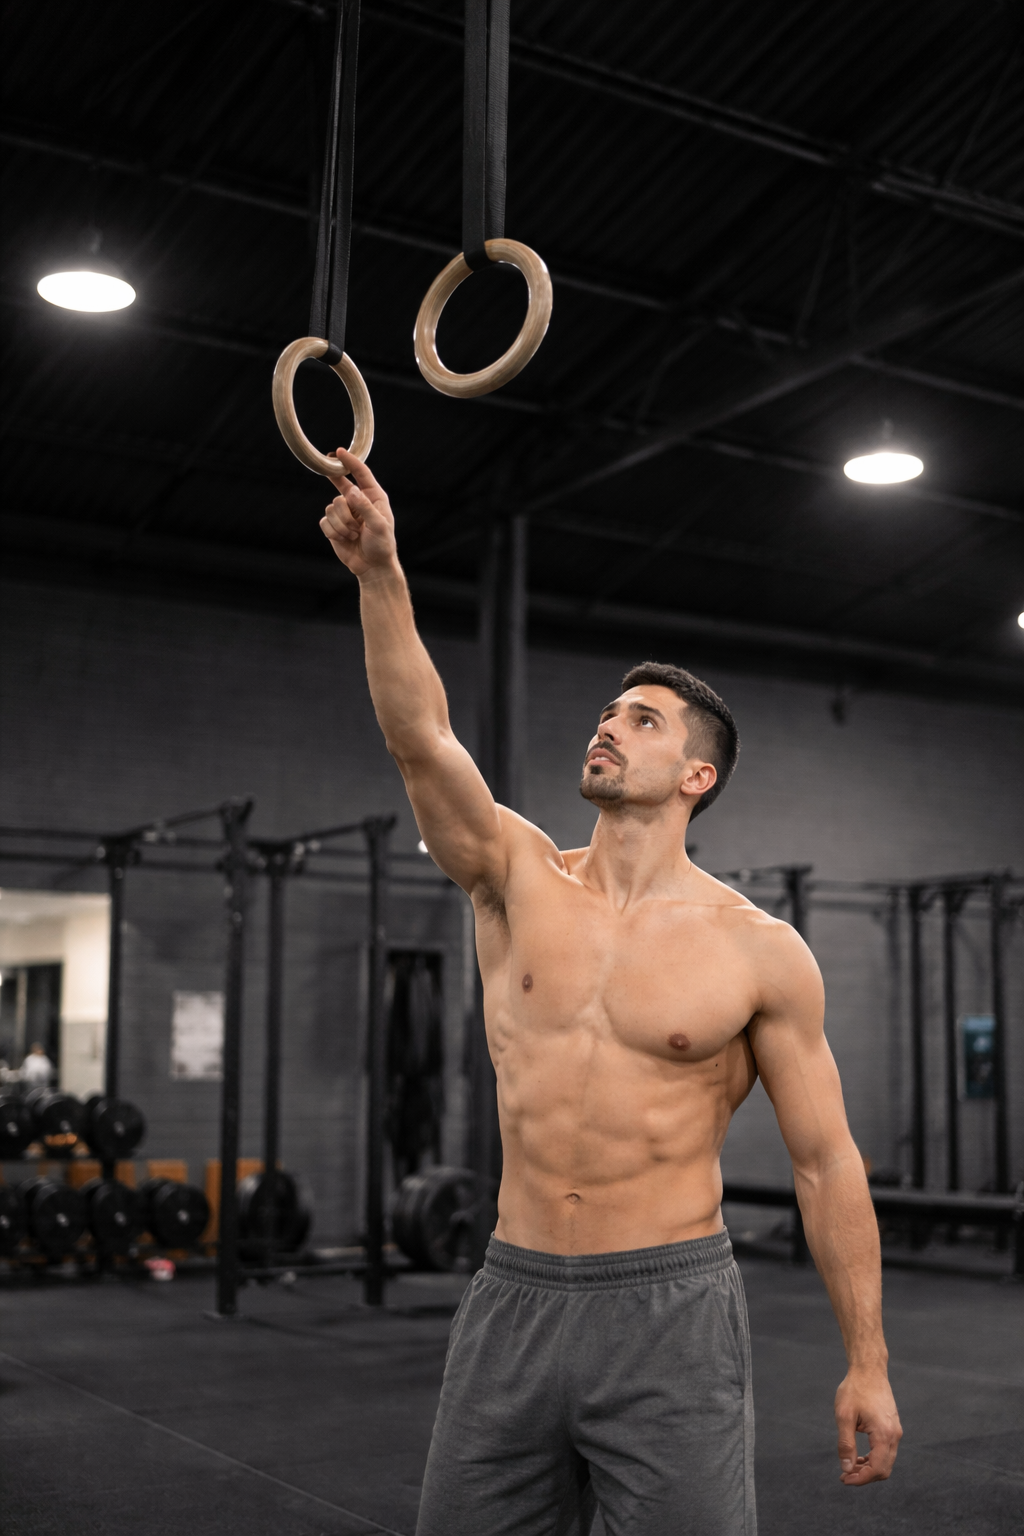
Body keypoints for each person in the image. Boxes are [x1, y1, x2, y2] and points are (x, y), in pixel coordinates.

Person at [321, 449, 902, 1536]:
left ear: (698, 777)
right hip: (512, 1295)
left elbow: (826, 1164)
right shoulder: (514, 876)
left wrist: (865, 1362)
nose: (607, 726)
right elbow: (421, 738)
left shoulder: (760, 951)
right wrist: (381, 576)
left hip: (669, 1310)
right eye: (607, 711)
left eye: (643, 721)